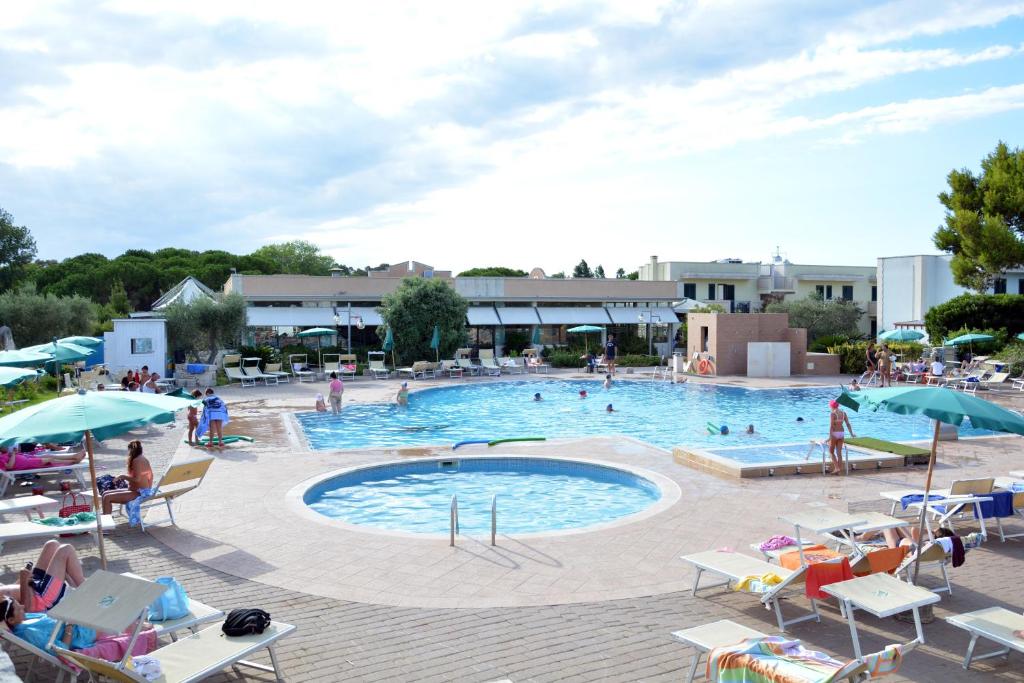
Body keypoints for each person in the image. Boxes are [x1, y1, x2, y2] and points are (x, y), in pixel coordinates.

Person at [0, 541, 86, 614]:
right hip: (41, 600)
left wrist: (23, 578)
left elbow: (13, 590)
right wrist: (24, 582)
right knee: (66, 550)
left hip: (33, 586)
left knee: (52, 545)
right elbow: (27, 610)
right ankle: (87, 590)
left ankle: (72, 582)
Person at [101, 440, 154, 515]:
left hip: (139, 492)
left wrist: (122, 476)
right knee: (105, 494)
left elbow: (137, 479)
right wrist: (148, 488)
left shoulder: (136, 461)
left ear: (131, 450)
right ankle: (106, 518)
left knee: (107, 497)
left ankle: (106, 523)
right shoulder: (144, 459)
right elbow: (151, 476)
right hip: (139, 490)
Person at [0, 446, 84, 471]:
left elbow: (10, 457)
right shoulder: (0, 458)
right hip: (27, 463)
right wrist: (14, 454)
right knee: (50, 459)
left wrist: (13, 453)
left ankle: (75, 456)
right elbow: (9, 466)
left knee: (49, 456)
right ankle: (75, 460)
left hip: (28, 459)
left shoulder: (3, 454)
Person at [828, 399, 855, 475]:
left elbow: (831, 426)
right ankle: (838, 470)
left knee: (831, 452)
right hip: (841, 433)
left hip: (835, 433)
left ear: (831, 406)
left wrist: (829, 437)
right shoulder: (844, 413)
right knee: (839, 453)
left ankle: (836, 468)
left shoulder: (832, 414)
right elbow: (848, 424)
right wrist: (851, 434)